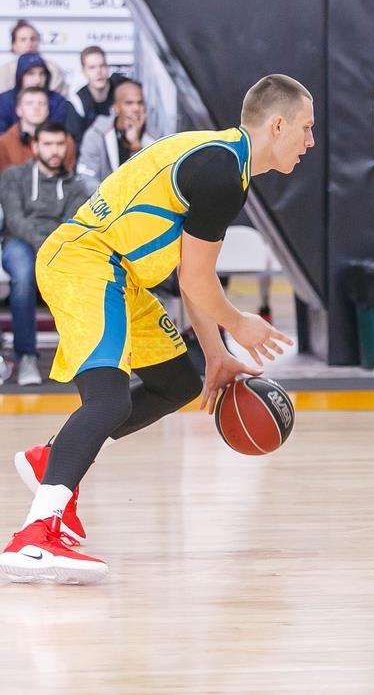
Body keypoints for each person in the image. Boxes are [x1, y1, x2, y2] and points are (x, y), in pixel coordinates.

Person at [0, 74, 313, 584]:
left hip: (120, 274)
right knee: (108, 402)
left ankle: (51, 461)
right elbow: (196, 279)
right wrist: (239, 323)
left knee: (179, 383)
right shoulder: (221, 171)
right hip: (87, 262)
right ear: (277, 124)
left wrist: (216, 354)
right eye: (306, 127)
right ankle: (35, 536)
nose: (310, 141)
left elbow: (193, 278)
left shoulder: (222, 159)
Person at [0, 122, 90, 385]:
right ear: (35, 146)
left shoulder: (76, 186)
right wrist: (45, 245)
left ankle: (79, 355)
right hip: (20, 243)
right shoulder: (14, 176)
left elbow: (71, 224)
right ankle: (26, 356)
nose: (54, 150)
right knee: (23, 275)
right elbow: (15, 220)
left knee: (84, 276)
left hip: (61, 245)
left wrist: (52, 247)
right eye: (48, 144)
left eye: (60, 144)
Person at [77, 80, 156, 188]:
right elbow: (86, 179)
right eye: (129, 103)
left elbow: (152, 180)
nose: (136, 108)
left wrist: (135, 146)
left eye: (140, 103)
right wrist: (109, 196)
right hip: (104, 196)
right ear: (116, 107)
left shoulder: (155, 137)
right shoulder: (96, 134)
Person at [0, 87, 76, 174]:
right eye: (29, 103)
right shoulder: (4, 143)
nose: (36, 108)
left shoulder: (65, 140)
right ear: (19, 110)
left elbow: (67, 177)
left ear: (48, 110)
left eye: (41, 103)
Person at [0, 53, 70, 134]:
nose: (37, 80)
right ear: (20, 76)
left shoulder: (58, 101)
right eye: (31, 74)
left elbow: (59, 133)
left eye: (42, 74)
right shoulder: (4, 101)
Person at [68, 46, 126, 138]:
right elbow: (76, 140)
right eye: (92, 67)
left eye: (102, 66)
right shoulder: (77, 102)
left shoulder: (123, 90)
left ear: (107, 67)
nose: (98, 72)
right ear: (83, 71)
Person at [0, 20, 66, 97]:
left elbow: (58, 99)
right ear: (14, 45)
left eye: (33, 39)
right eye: (23, 39)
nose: (29, 43)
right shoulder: (4, 71)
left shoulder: (52, 68)